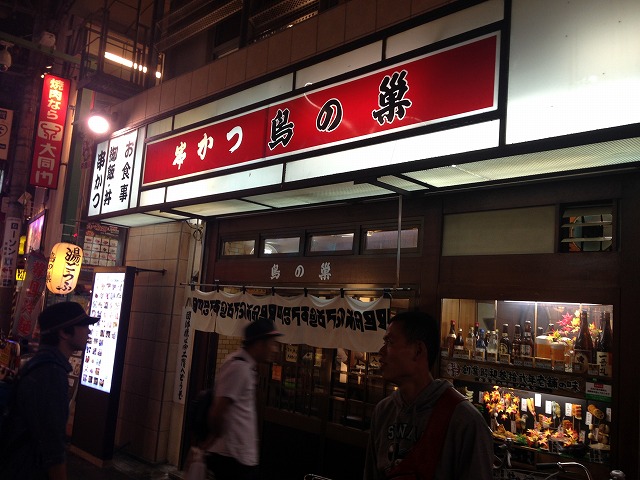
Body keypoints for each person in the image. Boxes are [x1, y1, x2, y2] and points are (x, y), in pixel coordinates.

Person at [363, 310, 494, 480]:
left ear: (418, 350)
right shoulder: (384, 411)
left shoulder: (464, 420)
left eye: (390, 342)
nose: (381, 351)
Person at [0, 301, 99, 480]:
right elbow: (52, 446)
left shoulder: (38, 364)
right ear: (64, 333)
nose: (89, 331)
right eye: (83, 326)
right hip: (28, 470)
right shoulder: (51, 374)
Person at [205, 317, 283, 480]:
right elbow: (217, 411)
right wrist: (217, 438)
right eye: (272, 343)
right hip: (233, 458)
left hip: (238, 457)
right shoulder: (238, 368)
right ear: (259, 344)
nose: (275, 349)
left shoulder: (245, 366)